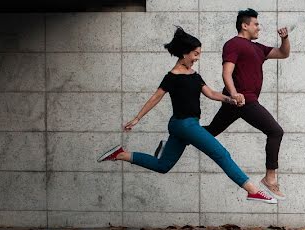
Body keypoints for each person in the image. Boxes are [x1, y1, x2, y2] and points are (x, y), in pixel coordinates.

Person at [97, 27, 277, 204]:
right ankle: (253, 191)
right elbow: (155, 98)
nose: (198, 58)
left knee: (163, 166)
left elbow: (212, 94)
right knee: (222, 154)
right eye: (195, 54)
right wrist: (137, 119)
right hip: (185, 125)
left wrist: (231, 99)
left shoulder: (194, 75)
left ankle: (121, 154)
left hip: (182, 126)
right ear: (185, 53)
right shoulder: (172, 77)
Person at [202, 8, 290, 199]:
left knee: (210, 132)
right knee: (275, 131)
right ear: (244, 25)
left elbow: (284, 54)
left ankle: (176, 138)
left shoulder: (258, 48)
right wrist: (234, 94)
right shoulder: (234, 44)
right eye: (256, 24)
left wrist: (285, 39)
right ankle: (270, 179)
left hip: (241, 101)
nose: (259, 27)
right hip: (243, 99)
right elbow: (226, 72)